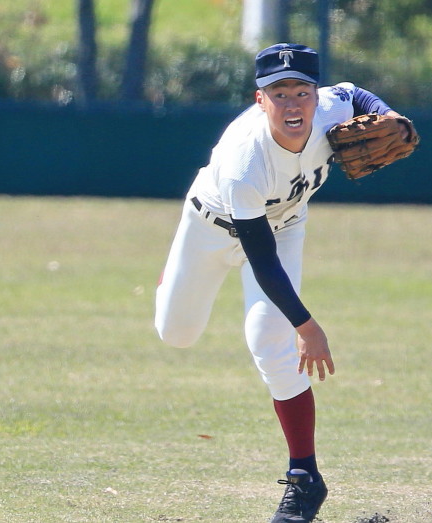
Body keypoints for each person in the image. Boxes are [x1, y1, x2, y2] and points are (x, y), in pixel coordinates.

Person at [155, 43, 408, 523]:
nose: (293, 103)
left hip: (285, 226)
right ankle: (171, 277)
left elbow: (355, 93)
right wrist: (307, 326)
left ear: (315, 93)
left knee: (269, 343)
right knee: (176, 333)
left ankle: (305, 477)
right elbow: (261, 258)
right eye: (279, 93)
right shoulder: (245, 160)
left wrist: (389, 114)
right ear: (260, 99)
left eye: (301, 91)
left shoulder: (328, 107)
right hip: (210, 228)